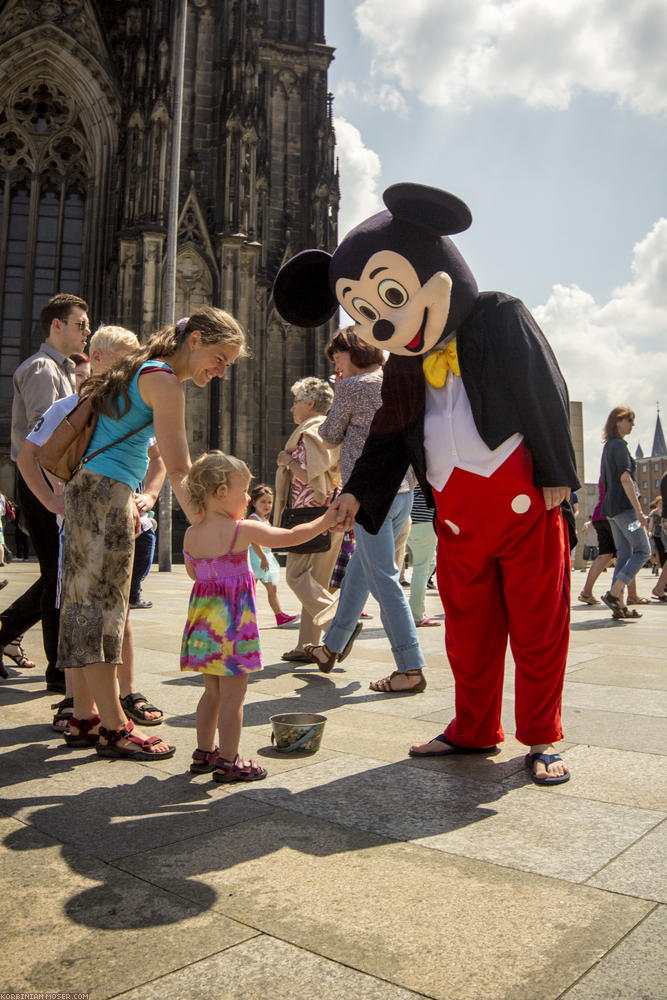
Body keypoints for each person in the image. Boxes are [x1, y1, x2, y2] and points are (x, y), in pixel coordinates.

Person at [56, 308, 245, 761]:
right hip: (107, 496)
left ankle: (87, 717)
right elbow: (180, 467)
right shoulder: (163, 381)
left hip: (86, 493)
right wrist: (207, 526)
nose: (220, 372)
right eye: (220, 358)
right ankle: (115, 728)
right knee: (105, 615)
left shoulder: (141, 367)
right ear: (195, 340)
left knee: (89, 611)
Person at [18, 324, 167, 730]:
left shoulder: (132, 404)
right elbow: (27, 456)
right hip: (82, 520)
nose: (135, 366)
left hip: (124, 520)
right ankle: (76, 700)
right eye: (125, 357)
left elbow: (160, 458)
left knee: (120, 609)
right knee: (80, 609)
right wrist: (51, 500)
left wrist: (149, 496)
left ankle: (126, 691)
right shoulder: (69, 405)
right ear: (98, 358)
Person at [181, 451, 337, 781]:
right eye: (243, 491)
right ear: (221, 492)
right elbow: (293, 537)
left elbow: (195, 575)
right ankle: (228, 760)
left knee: (211, 693)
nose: (248, 498)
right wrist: (325, 520)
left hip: (204, 628)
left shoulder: (191, 534)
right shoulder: (244, 530)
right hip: (234, 627)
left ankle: (203, 752)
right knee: (234, 698)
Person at [304, 327, 427, 692]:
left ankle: (410, 666)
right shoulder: (394, 380)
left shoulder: (353, 387)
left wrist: (337, 393)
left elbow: (329, 436)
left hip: (368, 494)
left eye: (338, 359)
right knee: (361, 570)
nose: (337, 367)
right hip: (402, 491)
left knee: (384, 579)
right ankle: (331, 648)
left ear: (352, 353)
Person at [1, 292, 89, 693]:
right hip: (43, 479)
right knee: (58, 574)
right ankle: (57, 668)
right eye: (80, 324)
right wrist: (59, 491)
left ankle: (7, 633)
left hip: (52, 479)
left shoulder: (63, 369)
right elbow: (46, 433)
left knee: (57, 571)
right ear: (57, 325)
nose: (87, 331)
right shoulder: (41, 369)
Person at [274, 377, 342, 663]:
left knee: (296, 576)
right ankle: (307, 646)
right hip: (330, 515)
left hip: (310, 515)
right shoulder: (327, 429)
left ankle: (339, 626)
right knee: (316, 582)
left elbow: (315, 479)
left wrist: (287, 462)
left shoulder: (310, 431)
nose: (292, 409)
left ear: (310, 404)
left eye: (296, 402)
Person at [599, 407, 651, 619]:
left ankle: (619, 605)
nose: (632, 424)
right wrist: (639, 511)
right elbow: (625, 478)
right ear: (617, 421)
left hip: (612, 511)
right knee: (643, 550)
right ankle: (613, 593)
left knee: (625, 553)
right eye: (629, 420)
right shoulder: (620, 446)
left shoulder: (608, 446)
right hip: (625, 511)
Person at [578, 478, 647, 607]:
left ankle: (586, 591)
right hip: (616, 516)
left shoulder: (605, 473)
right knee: (629, 553)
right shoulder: (623, 472)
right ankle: (630, 595)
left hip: (599, 515)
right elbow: (630, 493)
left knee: (605, 554)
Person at [246, 485, 299, 627]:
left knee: (271, 588)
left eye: (269, 502)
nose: (267, 505)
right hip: (256, 557)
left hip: (265, 556)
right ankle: (245, 617)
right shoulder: (253, 519)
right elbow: (253, 540)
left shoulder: (264, 519)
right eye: (263, 502)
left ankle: (279, 616)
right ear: (254, 502)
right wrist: (263, 557)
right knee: (251, 589)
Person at [406, 484, 440, 627]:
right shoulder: (428, 466)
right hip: (425, 521)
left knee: (430, 563)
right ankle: (417, 615)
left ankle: (415, 607)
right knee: (422, 568)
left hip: (410, 519)